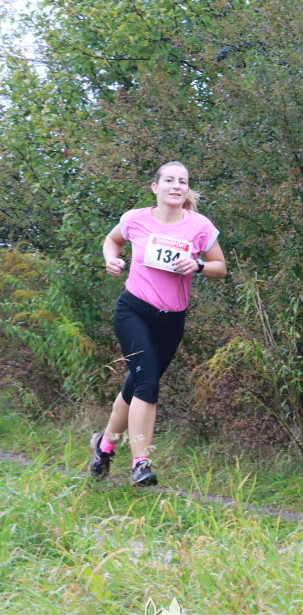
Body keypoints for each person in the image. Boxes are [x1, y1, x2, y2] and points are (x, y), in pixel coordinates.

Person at [88, 161, 226, 486]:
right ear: (156, 187)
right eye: (169, 180)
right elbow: (112, 240)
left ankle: (103, 447)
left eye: (183, 181)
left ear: (187, 189)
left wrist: (198, 265)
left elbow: (221, 267)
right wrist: (111, 260)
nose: (176, 185)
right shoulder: (136, 219)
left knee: (135, 385)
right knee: (147, 384)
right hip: (133, 312)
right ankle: (141, 463)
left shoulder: (200, 226)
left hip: (171, 321)